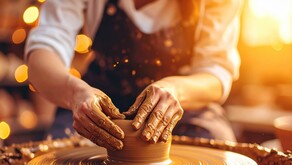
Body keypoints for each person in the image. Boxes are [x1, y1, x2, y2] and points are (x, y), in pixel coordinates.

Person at [25, 0, 242, 151]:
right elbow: (44, 53)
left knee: (218, 147)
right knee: (58, 153)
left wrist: (174, 90)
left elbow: (215, 73)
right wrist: (75, 94)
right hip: (97, 100)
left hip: (182, 104)